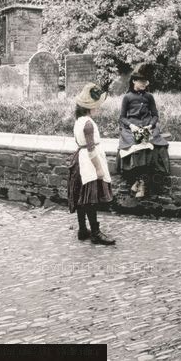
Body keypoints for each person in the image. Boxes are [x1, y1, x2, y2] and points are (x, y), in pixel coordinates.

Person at [67, 82, 115, 245]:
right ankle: (95, 232)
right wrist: (99, 169)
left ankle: (82, 229)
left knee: (82, 197)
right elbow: (90, 149)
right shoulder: (88, 123)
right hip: (88, 163)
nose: (98, 108)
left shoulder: (79, 120)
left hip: (81, 161)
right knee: (90, 198)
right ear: (90, 107)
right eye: (97, 105)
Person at [116, 64, 170, 199]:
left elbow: (155, 115)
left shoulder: (149, 97)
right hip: (132, 128)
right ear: (134, 81)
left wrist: (150, 126)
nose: (144, 84)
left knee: (151, 148)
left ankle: (140, 182)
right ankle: (140, 182)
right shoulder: (127, 97)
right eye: (141, 81)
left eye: (146, 82)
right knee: (135, 147)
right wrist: (131, 125)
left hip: (147, 127)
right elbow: (122, 117)